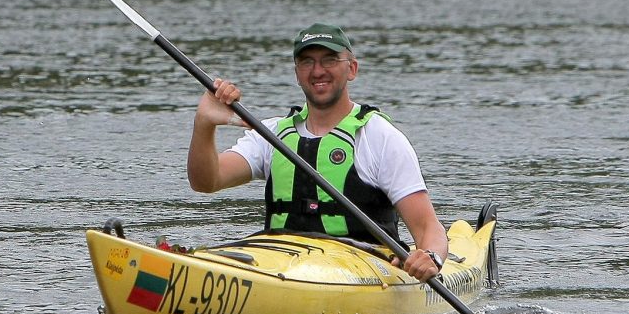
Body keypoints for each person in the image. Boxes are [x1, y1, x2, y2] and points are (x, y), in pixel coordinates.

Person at [187, 23, 447, 282]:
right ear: (297, 73)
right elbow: (206, 181)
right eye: (307, 62)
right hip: (278, 260)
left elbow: (426, 226)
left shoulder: (380, 137)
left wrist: (431, 257)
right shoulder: (272, 133)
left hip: (362, 266)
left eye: (329, 60)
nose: (318, 71)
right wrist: (204, 124)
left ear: (352, 68)